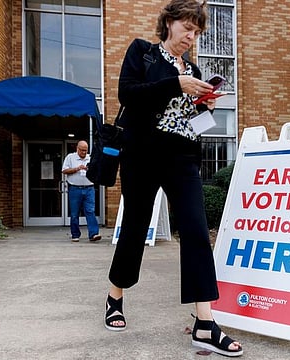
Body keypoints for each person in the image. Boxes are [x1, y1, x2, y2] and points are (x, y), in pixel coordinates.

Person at [104, 0, 243, 357]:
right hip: (143, 155)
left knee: (196, 229)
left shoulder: (194, 69)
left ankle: (205, 323)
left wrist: (207, 108)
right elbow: (127, 94)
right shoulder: (144, 53)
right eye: (187, 28)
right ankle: (115, 297)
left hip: (182, 158)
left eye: (196, 32)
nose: (191, 37)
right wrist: (176, 84)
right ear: (169, 22)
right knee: (135, 228)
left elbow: (195, 128)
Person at [62, 140, 101, 242]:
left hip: (89, 188)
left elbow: (98, 172)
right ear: (77, 149)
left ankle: (93, 234)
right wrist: (76, 169)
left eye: (86, 150)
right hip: (75, 188)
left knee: (90, 211)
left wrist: (90, 169)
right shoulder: (70, 157)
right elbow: (64, 170)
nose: (84, 152)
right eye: (82, 150)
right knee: (75, 213)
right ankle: (75, 234)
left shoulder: (90, 158)